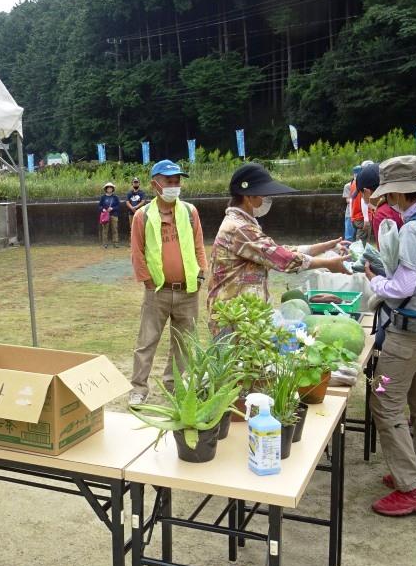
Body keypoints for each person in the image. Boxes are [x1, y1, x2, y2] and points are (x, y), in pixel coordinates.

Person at [362, 155, 416, 516]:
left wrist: (374, 280)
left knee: (383, 399)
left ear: (398, 192)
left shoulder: (414, 229)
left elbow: (401, 288)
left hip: (410, 333)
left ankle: (411, 487)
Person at [207, 163, 349, 338]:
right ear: (248, 196)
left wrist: (324, 247)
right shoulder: (239, 228)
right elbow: (282, 259)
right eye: (264, 195)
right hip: (233, 318)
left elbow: (275, 251)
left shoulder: (245, 224)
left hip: (244, 315)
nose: (268, 200)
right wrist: (327, 263)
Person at [128, 159, 207, 405]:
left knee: (182, 344)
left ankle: (173, 388)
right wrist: (148, 281)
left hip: (188, 291)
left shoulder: (189, 212)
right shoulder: (143, 215)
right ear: (155, 185)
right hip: (158, 292)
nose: (175, 186)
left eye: (177, 181)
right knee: (147, 342)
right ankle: (139, 389)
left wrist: (201, 272)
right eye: (169, 182)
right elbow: (137, 252)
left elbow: (198, 245)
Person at [357, 163, 403, 248]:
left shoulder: (381, 214)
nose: (362, 197)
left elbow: (387, 255)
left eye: (361, 194)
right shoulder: (400, 203)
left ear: (366, 191)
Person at [98, 183, 120, 248]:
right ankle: (105, 244)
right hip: (105, 216)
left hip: (114, 215)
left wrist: (112, 208)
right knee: (105, 230)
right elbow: (99, 206)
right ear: (106, 189)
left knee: (115, 229)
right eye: (108, 187)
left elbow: (118, 206)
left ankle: (115, 243)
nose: (109, 188)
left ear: (113, 189)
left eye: (111, 187)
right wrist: (103, 209)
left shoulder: (115, 197)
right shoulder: (103, 197)